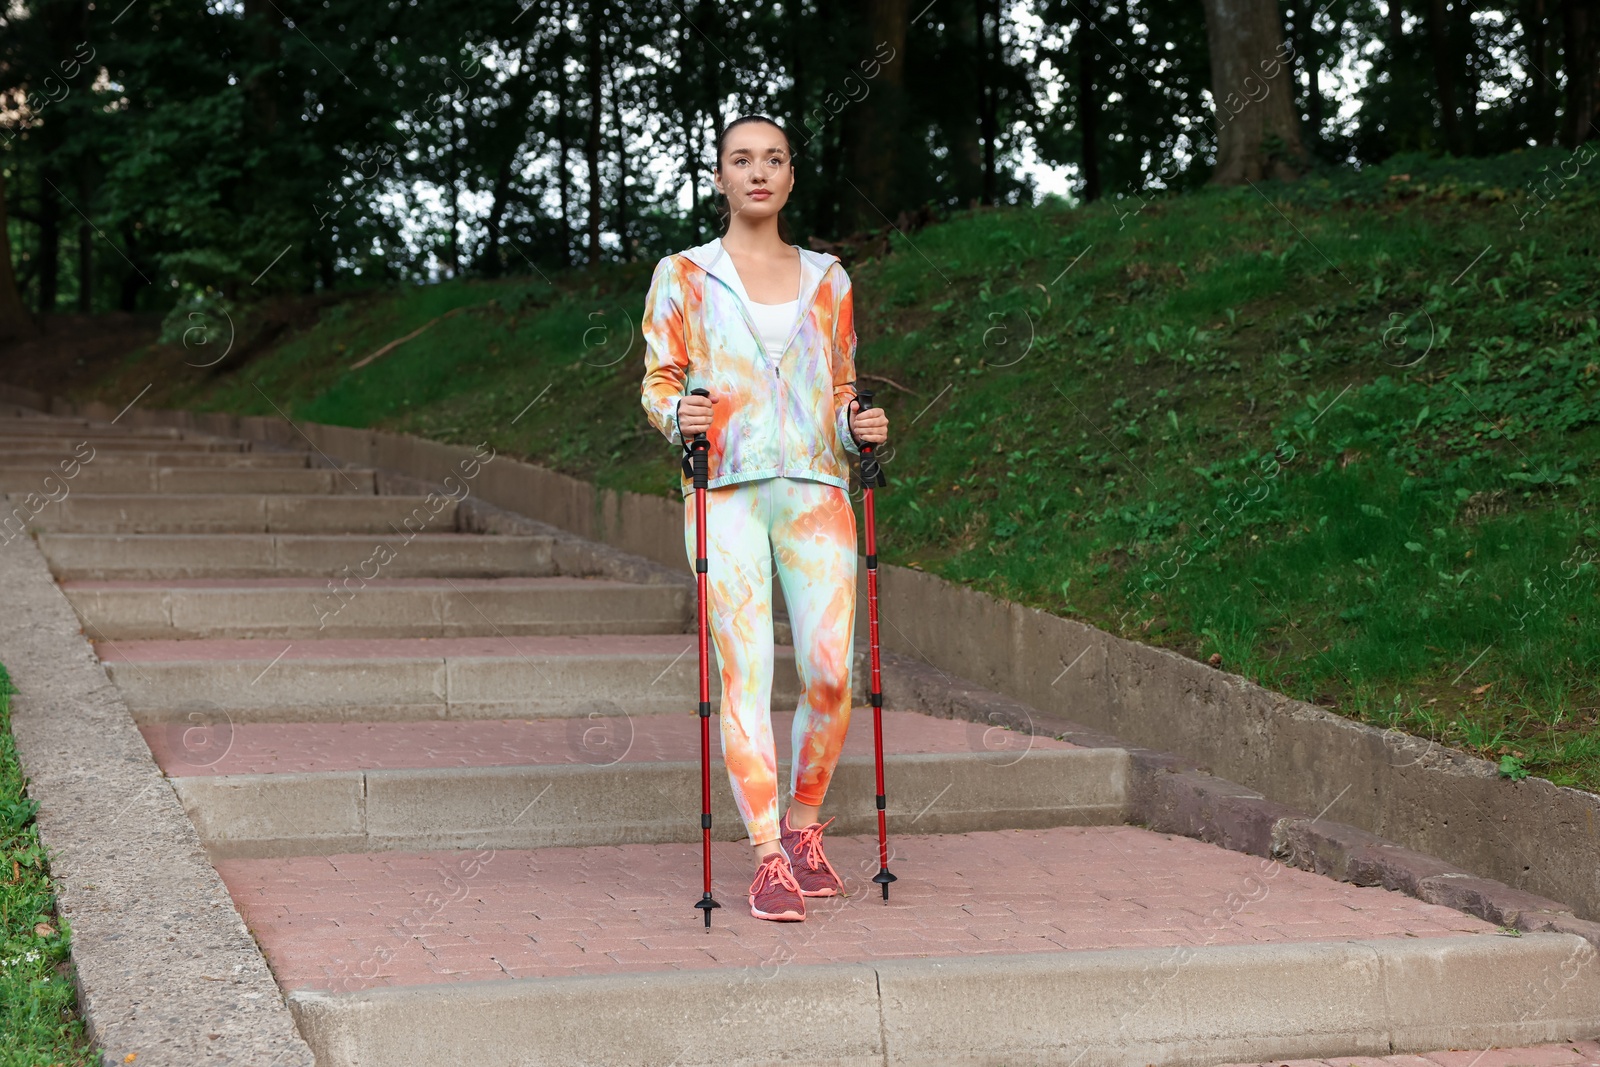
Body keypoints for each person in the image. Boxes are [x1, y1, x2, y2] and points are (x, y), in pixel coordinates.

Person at [640, 114, 889, 922]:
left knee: (829, 671)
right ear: (718, 176)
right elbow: (658, 379)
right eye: (741, 159)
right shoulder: (683, 274)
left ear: (790, 176)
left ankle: (806, 825)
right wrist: (679, 413)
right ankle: (765, 854)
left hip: (818, 487)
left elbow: (842, 382)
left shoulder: (830, 278)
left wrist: (857, 423)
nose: (758, 172)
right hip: (725, 490)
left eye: (773, 159)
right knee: (746, 671)